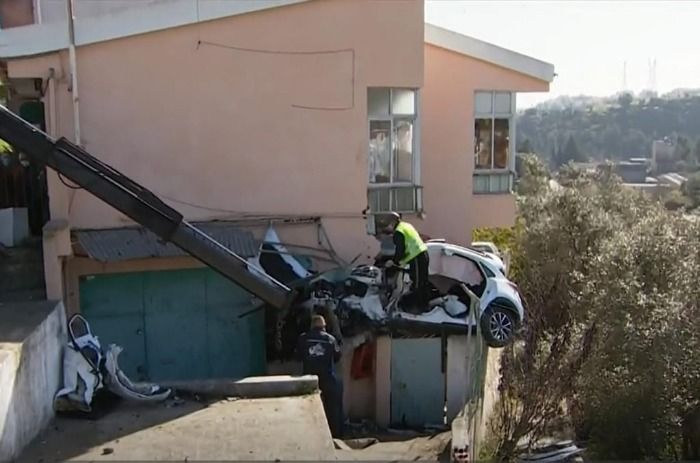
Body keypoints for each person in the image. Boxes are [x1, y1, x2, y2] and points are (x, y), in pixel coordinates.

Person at [296, 314, 343, 437]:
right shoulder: (330, 339)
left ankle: (310, 434)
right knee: (332, 408)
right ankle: (334, 435)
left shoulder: (303, 338)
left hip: (309, 379)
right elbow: (337, 357)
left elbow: (298, 356)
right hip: (327, 378)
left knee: (309, 408)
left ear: (312, 326)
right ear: (324, 326)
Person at [384, 212, 430, 309]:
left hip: (416, 256)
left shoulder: (398, 232)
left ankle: (417, 308)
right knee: (422, 281)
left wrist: (394, 262)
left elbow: (400, 250)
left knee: (417, 284)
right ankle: (424, 306)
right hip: (422, 253)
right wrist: (401, 262)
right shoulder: (406, 225)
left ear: (392, 223)